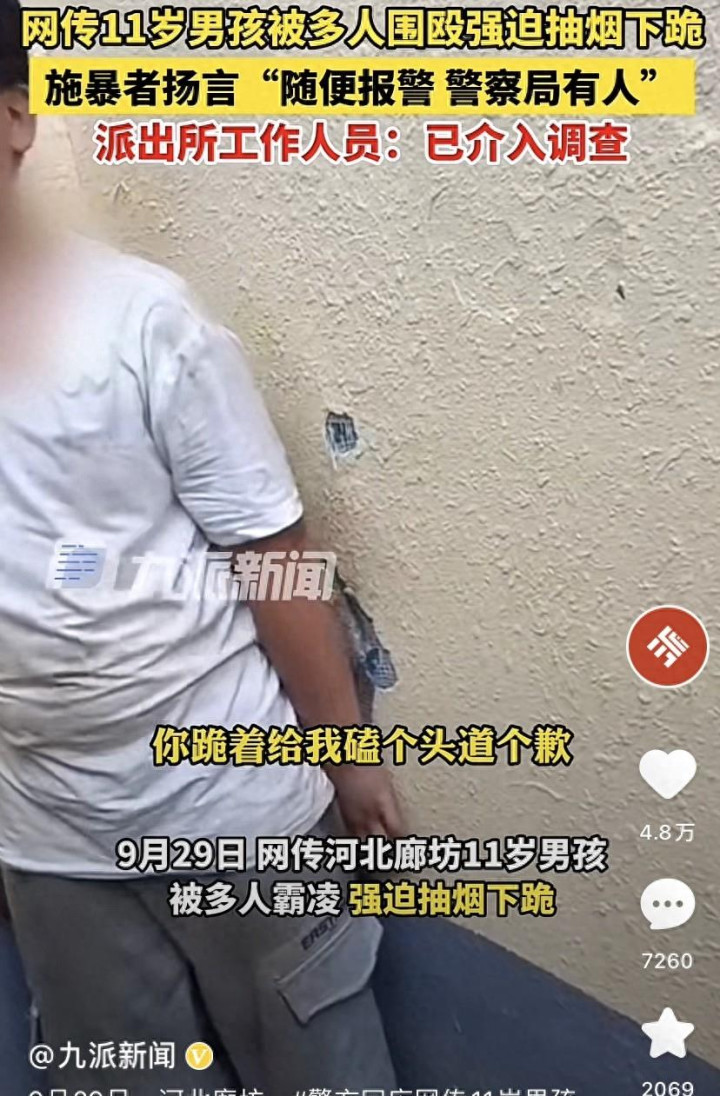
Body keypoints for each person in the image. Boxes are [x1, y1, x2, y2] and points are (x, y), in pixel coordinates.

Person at [0, 3, 403, 1093]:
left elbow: (274, 550)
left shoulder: (140, 323)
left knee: (321, 1070)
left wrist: (348, 757)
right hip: (46, 833)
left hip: (229, 806)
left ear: (18, 119)